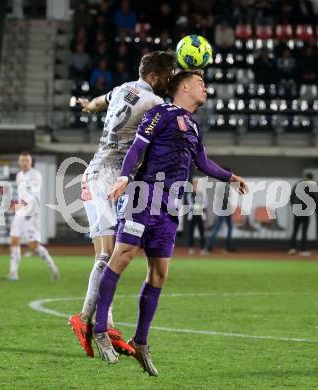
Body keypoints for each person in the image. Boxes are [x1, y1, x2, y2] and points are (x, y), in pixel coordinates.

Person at [92, 71, 247, 375]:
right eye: (200, 82)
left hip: (170, 206)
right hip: (143, 195)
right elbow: (137, 147)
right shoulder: (160, 113)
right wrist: (125, 177)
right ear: (184, 86)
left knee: (159, 274)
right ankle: (99, 329)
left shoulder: (194, 126)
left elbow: (202, 163)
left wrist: (229, 177)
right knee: (121, 257)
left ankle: (140, 341)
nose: (205, 87)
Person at [68, 51, 176, 359]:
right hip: (107, 178)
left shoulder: (123, 88)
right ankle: (84, 316)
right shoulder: (153, 103)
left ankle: (108, 323)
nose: (169, 81)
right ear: (155, 77)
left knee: (109, 254)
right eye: (168, 75)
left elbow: (100, 100)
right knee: (108, 254)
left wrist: (87, 105)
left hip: (101, 175)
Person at [5, 152, 59, 281]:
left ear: (30, 162)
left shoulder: (35, 175)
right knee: (14, 240)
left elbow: (32, 196)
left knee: (33, 245)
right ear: (19, 162)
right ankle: (13, 273)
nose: (24, 163)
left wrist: (18, 205)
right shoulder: (19, 175)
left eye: (26, 160)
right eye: (22, 160)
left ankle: (53, 267)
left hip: (32, 212)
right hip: (21, 212)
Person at [288, 173, 316, 256]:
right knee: (304, 231)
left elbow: (291, 198)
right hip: (305, 211)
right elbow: (315, 199)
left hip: (297, 211)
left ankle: (292, 248)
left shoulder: (297, 185)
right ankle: (303, 250)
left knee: (295, 230)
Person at [206, 179, 238, 253]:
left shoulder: (222, 186)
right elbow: (224, 200)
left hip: (223, 209)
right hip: (224, 210)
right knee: (218, 228)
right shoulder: (224, 186)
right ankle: (210, 247)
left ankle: (211, 247)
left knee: (224, 228)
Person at [187, 179, 208, 255]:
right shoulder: (190, 195)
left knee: (202, 233)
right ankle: (191, 248)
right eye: (195, 185)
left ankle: (202, 249)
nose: (196, 187)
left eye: (197, 185)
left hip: (201, 215)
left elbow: (205, 204)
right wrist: (197, 207)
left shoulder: (203, 195)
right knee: (191, 232)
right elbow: (190, 205)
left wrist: (198, 207)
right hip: (192, 215)